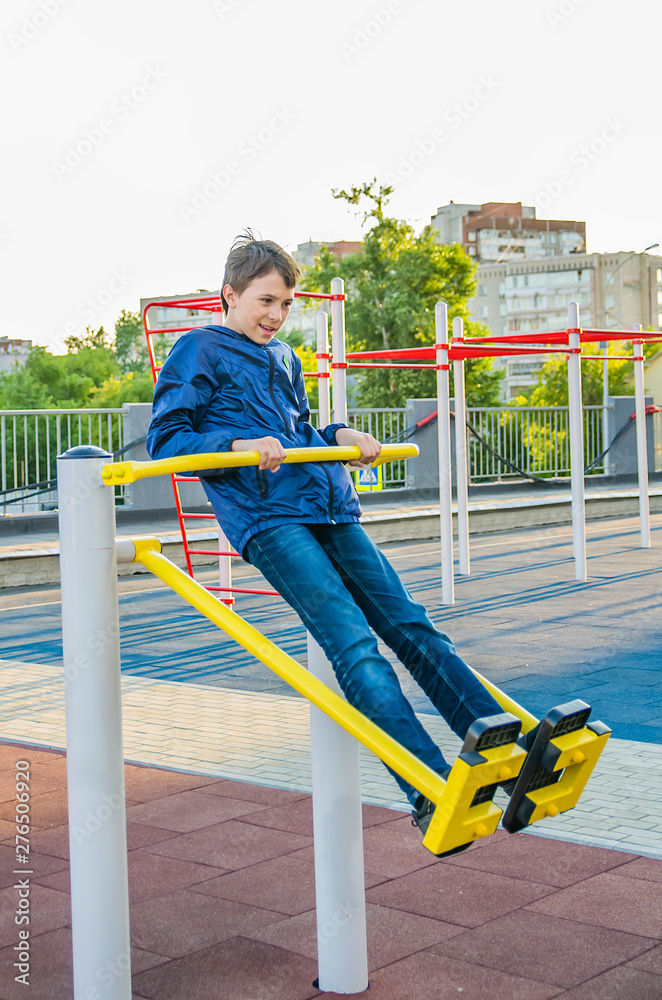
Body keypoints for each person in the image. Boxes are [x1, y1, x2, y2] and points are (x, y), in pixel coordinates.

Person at [146, 233, 527, 846]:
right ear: (229, 296)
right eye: (265, 301)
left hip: (327, 504)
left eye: (286, 304)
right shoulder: (199, 350)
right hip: (269, 517)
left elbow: (296, 430)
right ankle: (429, 787)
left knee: (413, 626)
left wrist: (340, 434)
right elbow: (167, 440)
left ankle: (505, 751)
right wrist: (237, 445)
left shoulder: (284, 357)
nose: (276, 315)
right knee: (354, 646)